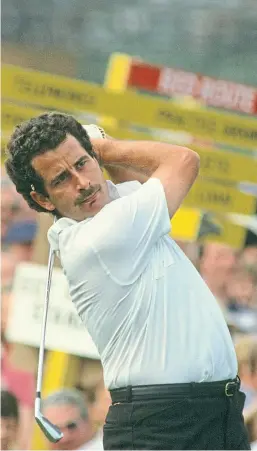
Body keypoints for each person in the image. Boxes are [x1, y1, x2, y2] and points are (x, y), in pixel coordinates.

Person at [5, 112, 250, 450]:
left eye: (82, 164)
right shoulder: (100, 236)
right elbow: (183, 160)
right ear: (44, 200)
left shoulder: (113, 216)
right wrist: (104, 149)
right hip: (165, 424)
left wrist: (99, 157)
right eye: (62, 178)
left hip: (209, 412)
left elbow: (137, 185)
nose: (83, 182)